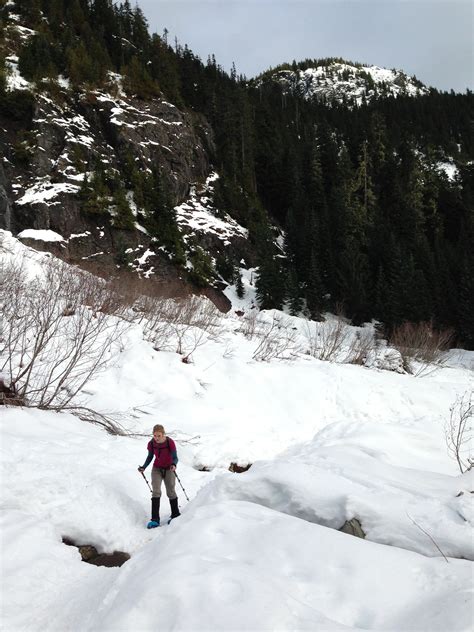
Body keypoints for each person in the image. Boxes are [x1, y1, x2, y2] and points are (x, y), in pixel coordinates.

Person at [138, 424, 180, 528]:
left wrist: (174, 465)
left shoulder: (170, 442)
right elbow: (150, 457)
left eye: (159, 436)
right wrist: (144, 467)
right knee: (156, 492)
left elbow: (175, 457)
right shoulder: (152, 443)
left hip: (169, 468)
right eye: (154, 435)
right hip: (157, 468)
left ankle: (175, 515)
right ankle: (155, 520)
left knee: (170, 491)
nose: (156, 438)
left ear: (163, 434)